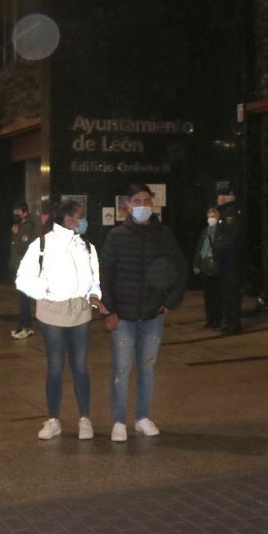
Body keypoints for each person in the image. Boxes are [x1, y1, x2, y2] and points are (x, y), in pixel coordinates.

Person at [99, 183, 186, 442]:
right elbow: (105, 275)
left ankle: (142, 417)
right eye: (137, 201)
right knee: (122, 370)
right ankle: (118, 421)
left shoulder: (164, 235)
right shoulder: (116, 236)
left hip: (152, 317)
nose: (143, 206)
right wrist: (109, 311)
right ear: (127, 206)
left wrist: (170, 301)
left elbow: (180, 268)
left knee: (147, 368)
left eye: (147, 201)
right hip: (123, 317)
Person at [16, 199, 101, 441]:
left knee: (81, 367)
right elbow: (23, 278)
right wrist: (46, 293)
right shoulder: (42, 244)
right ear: (67, 218)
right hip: (52, 313)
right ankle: (53, 419)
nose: (82, 220)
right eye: (79, 216)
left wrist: (94, 295)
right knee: (55, 367)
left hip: (80, 312)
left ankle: (85, 418)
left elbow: (95, 279)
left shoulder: (87, 246)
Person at [215, 186, 243, 334]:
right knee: (226, 292)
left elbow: (229, 238)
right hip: (225, 259)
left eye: (219, 196)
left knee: (231, 292)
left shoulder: (230, 213)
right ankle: (227, 322)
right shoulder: (224, 212)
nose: (217, 199)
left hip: (230, 259)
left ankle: (233, 325)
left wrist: (216, 248)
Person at [9, 202, 38, 339]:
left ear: (25, 212)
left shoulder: (27, 227)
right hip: (20, 264)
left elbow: (22, 246)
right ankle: (23, 326)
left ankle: (26, 327)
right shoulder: (23, 225)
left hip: (24, 266)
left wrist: (15, 235)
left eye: (18, 211)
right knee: (22, 298)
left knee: (23, 298)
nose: (16, 214)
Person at [193, 206, 224, 329]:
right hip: (205, 265)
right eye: (209, 216)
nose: (210, 219)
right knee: (208, 295)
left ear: (218, 217)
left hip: (216, 266)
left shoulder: (221, 231)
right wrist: (196, 264)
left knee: (217, 295)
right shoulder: (205, 231)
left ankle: (218, 319)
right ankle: (210, 319)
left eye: (213, 216)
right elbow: (199, 248)